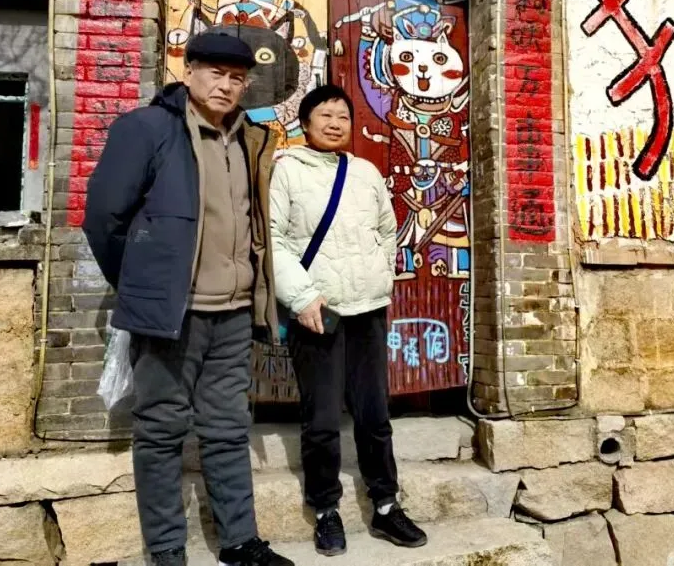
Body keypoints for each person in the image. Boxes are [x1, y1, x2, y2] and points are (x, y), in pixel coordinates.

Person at [83, 30, 293, 566]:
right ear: (189, 70)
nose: (226, 86)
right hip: (172, 315)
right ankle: (167, 549)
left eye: (237, 78)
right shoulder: (147, 128)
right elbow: (104, 219)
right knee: (161, 429)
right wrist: (143, 286)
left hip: (234, 311)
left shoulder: (250, 138)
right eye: (216, 74)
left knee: (228, 428)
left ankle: (239, 541)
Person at [270, 84, 427, 557]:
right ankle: (325, 510)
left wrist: (381, 274)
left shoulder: (365, 171)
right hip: (318, 311)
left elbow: (387, 228)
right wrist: (302, 297)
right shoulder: (287, 170)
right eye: (325, 115)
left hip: (368, 308)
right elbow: (273, 239)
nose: (335, 123)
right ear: (305, 123)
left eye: (343, 115)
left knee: (375, 414)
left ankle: (385, 504)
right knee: (321, 419)